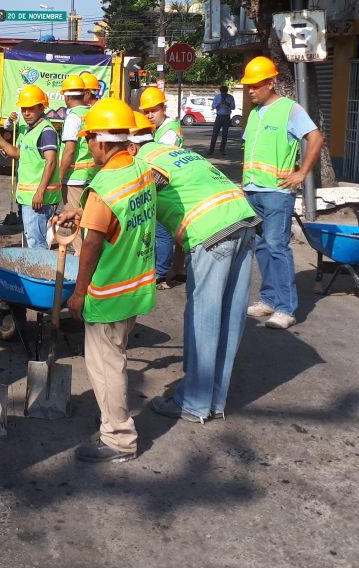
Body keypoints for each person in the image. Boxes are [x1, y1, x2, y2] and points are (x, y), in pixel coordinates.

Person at [132, 114, 261, 423]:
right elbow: (182, 199)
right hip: (243, 220)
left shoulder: (141, 162)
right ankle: (214, 402)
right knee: (229, 317)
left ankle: (193, 403)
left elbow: (134, 214)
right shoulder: (173, 152)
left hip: (212, 232)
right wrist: (177, 264)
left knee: (203, 318)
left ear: (125, 141)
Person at [52, 98, 157, 463]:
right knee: (118, 357)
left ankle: (118, 438)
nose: (87, 147)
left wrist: (78, 294)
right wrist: (81, 213)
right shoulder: (141, 170)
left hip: (110, 292)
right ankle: (114, 424)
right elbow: (117, 218)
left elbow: (93, 244)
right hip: (138, 284)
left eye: (89, 139)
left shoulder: (105, 185)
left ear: (99, 139)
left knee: (107, 365)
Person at [239, 56, 324, 330]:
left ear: (270, 83)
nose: (250, 90)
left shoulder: (289, 109)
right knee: (262, 247)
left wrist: (301, 174)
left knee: (277, 247)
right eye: (248, 86)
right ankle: (268, 299)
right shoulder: (254, 114)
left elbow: (315, 137)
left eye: (255, 85)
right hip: (253, 191)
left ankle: (286, 308)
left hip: (276, 193)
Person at [0, 85, 60, 248]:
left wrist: (40, 192)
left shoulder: (46, 131)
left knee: (36, 243)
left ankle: (39, 273)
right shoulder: (30, 130)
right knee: (32, 240)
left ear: (41, 107)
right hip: (29, 198)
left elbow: (51, 162)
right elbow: (17, 153)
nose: (26, 113)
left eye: (31, 109)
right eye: (23, 109)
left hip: (38, 199)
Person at [129, 115, 177, 286]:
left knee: (162, 234)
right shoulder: (161, 149)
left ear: (132, 147)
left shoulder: (144, 161)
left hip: (206, 220)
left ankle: (161, 274)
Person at [57, 75, 97, 210]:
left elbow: (69, 150)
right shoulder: (92, 113)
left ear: (67, 97)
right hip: (92, 175)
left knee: (75, 221)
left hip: (75, 178)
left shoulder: (73, 117)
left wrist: (59, 177)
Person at [208, 85, 235, 156]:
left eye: (225, 92)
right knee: (215, 134)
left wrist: (228, 104)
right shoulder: (217, 97)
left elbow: (233, 107)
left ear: (227, 92)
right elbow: (213, 106)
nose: (224, 94)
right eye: (222, 92)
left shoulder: (230, 97)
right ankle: (211, 150)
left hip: (227, 117)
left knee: (225, 134)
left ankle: (222, 150)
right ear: (220, 92)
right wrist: (219, 103)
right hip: (219, 116)